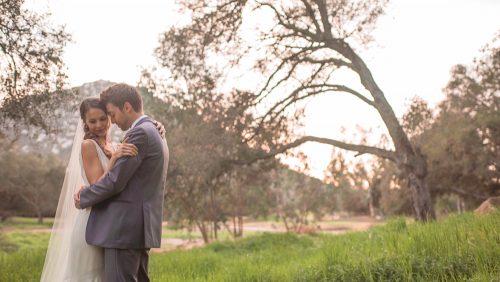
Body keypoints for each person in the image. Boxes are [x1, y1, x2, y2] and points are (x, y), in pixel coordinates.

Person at [74, 83, 169, 282]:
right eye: (94, 120)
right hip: (137, 227)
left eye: (110, 115)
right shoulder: (153, 130)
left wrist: (83, 196)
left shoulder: (140, 133)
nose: (112, 121)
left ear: (127, 107)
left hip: (122, 229)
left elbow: (115, 182)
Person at [41, 97, 139, 281]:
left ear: (109, 117)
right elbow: (97, 187)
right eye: (92, 121)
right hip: (91, 224)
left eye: (102, 118)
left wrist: (158, 126)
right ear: (85, 123)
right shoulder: (88, 145)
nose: (99, 125)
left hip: (109, 223)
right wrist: (113, 160)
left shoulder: (114, 146)